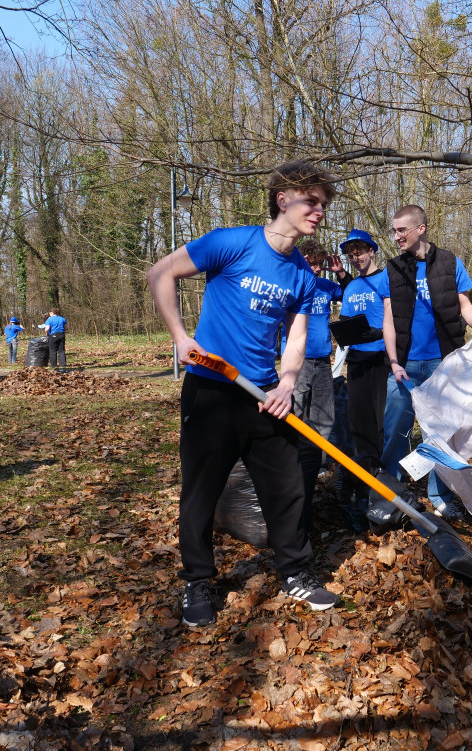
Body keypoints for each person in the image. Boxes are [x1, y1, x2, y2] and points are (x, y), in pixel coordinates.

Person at [146, 159, 341, 627]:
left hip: (262, 395)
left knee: (289, 485)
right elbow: (160, 274)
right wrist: (179, 337)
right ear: (283, 199)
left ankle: (295, 573)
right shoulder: (231, 242)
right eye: (311, 202)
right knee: (201, 489)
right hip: (211, 390)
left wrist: (288, 382)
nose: (319, 212)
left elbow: (296, 336)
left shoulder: (301, 274)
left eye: (323, 205)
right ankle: (197, 582)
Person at [382, 205, 472, 517]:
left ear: (420, 229)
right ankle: (391, 492)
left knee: (442, 433)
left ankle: (440, 495)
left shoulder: (449, 262)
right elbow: (389, 321)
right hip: (404, 365)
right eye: (394, 231)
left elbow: (463, 302)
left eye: (401, 230)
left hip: (444, 364)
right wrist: (393, 361)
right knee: (395, 429)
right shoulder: (392, 269)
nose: (396, 237)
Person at [282, 238, 350, 529]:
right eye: (312, 263)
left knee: (324, 417)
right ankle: (290, 467)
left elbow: (351, 294)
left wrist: (341, 274)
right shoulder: (292, 283)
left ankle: (318, 469)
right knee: (293, 414)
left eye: (320, 264)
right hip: (296, 362)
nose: (316, 269)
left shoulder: (324, 286)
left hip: (323, 359)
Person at [337, 229, 389, 530]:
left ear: (372, 251)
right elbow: (346, 321)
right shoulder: (351, 286)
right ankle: (364, 483)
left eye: (361, 251)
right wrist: (344, 330)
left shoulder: (385, 279)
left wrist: (380, 333)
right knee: (358, 426)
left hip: (381, 359)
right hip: (356, 361)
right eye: (351, 253)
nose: (356, 257)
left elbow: (396, 319)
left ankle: (384, 482)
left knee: (382, 422)